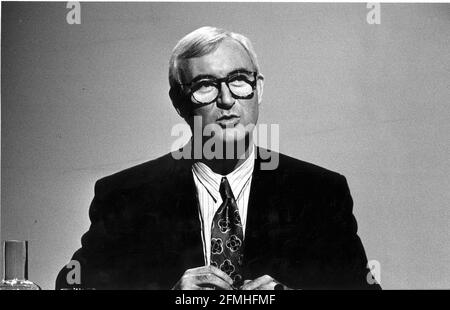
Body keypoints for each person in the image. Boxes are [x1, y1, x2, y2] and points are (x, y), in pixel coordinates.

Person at [56, 26, 381, 290]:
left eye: (239, 80)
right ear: (179, 102)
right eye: (205, 86)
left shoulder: (321, 194)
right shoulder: (125, 196)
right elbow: (71, 287)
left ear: (259, 90)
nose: (226, 100)